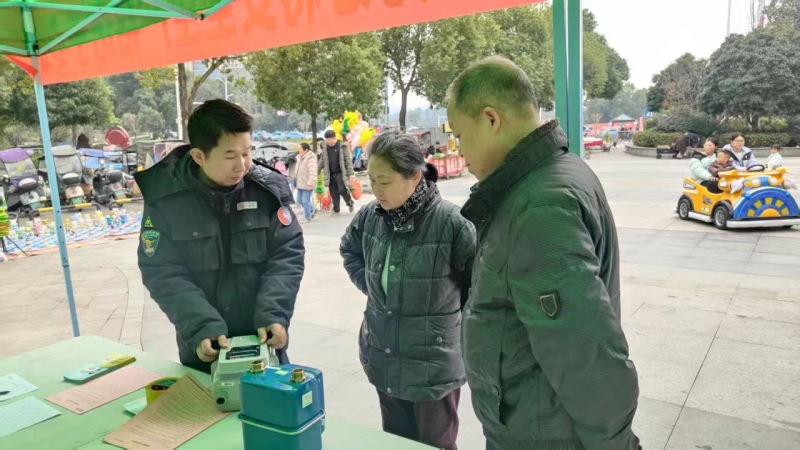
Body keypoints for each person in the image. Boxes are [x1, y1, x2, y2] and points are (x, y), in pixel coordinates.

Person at [447, 56, 641, 449]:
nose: (460, 150)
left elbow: (586, 354)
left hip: (543, 434)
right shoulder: (549, 177)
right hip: (531, 423)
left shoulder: (539, 206)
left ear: (490, 119)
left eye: (460, 135)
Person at [136, 99, 305, 373]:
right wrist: (201, 325)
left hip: (263, 342)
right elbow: (162, 271)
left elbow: (287, 254)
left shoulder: (268, 191)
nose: (242, 165)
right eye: (229, 156)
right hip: (204, 350)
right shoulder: (165, 199)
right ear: (199, 156)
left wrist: (275, 313)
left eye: (247, 152)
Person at [340, 132, 476, 450]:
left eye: (385, 182)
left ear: (414, 177)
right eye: (372, 180)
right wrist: (374, 289)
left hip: (433, 365)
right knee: (396, 441)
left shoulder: (452, 223)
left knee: (435, 442)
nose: (376, 190)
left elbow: (478, 287)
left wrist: (451, 328)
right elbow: (350, 250)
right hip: (384, 353)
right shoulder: (371, 216)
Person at [318, 130, 356, 213]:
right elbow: (322, 161)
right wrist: (316, 171)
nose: (327, 141)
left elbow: (348, 161)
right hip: (330, 173)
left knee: (342, 190)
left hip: (340, 173)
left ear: (334, 138)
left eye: (329, 139)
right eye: (326, 139)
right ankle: (336, 208)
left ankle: (349, 202)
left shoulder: (342, 146)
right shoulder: (325, 147)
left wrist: (351, 174)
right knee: (333, 192)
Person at [294, 142, 318, 223]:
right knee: (299, 200)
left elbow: (313, 172)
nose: (299, 150)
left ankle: (307, 217)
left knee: (305, 201)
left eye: (300, 149)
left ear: (306, 150)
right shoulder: (300, 158)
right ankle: (312, 209)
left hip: (307, 184)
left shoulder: (310, 159)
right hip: (300, 183)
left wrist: (310, 183)